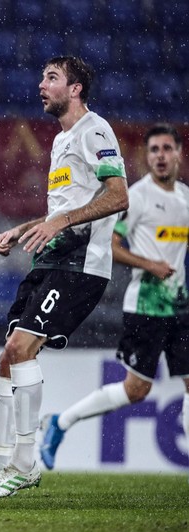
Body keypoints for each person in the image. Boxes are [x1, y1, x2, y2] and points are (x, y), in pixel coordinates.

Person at [0, 56, 129, 498]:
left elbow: (118, 196)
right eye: (42, 77)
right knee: (6, 358)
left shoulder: (95, 131)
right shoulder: (61, 140)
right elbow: (61, 213)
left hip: (80, 265)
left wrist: (60, 222)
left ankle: (25, 466)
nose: (41, 84)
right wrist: (26, 227)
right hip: (49, 261)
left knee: (20, 348)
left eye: (51, 78)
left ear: (75, 89)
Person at [39, 123, 189, 470]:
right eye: (154, 150)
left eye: (167, 148)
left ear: (179, 153)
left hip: (181, 307)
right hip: (146, 307)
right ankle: (61, 422)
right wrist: (148, 263)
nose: (161, 156)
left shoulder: (184, 199)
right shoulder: (136, 196)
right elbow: (112, 244)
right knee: (136, 390)